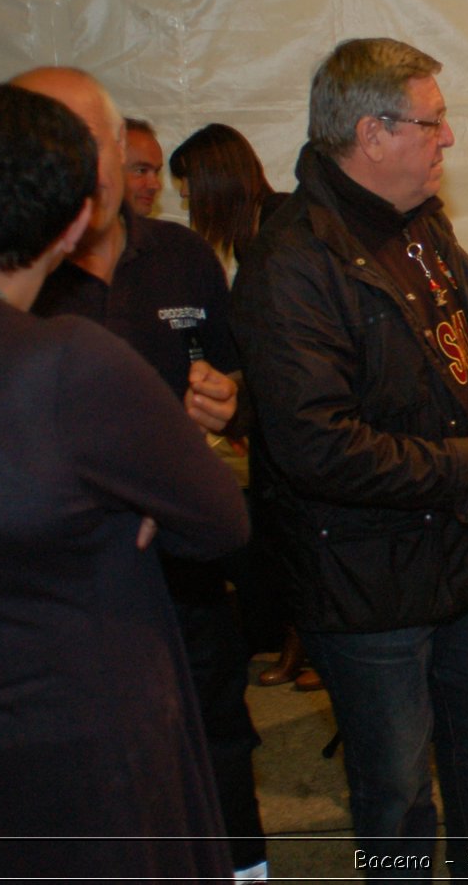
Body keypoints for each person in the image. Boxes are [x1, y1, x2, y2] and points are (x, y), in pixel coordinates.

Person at [0, 81, 249, 881]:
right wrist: (132, 496)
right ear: (72, 226)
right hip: (74, 752)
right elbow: (218, 520)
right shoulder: (66, 363)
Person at [232, 37, 468, 879]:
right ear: (372, 134)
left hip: (459, 555)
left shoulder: (424, 225)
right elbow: (316, 446)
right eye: (432, 123)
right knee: (399, 790)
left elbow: (459, 343)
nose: (448, 141)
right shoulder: (292, 261)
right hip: (367, 584)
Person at [17, 67, 270, 880]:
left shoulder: (186, 257)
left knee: (217, 735)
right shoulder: (26, 275)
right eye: (132, 163)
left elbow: (247, 389)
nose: (145, 180)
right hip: (73, 572)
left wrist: (231, 404)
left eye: (150, 166)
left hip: (189, 558)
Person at [169, 121, 309, 686]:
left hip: (294, 409)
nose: (186, 208)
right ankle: (297, 641)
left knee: (290, 533)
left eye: (188, 196)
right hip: (273, 406)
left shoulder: (278, 227)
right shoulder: (257, 233)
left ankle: (309, 645)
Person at [171, 122, 291, 280]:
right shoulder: (245, 238)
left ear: (219, 176)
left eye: (189, 178)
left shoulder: (283, 219)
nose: (183, 192)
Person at [124, 116, 166, 217]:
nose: (156, 186)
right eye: (141, 171)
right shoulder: (80, 231)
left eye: (157, 172)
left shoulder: (173, 232)